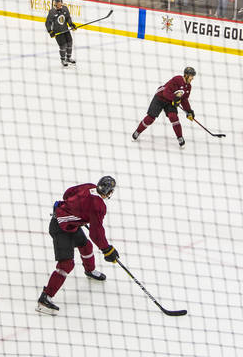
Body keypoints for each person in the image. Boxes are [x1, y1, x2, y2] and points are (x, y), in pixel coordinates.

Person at [37, 176, 120, 315]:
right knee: (66, 265)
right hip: (59, 228)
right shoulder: (99, 206)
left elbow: (68, 193)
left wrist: (76, 212)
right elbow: (96, 232)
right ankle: (44, 298)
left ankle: (90, 271)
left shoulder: (89, 186)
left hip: (70, 225)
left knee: (85, 245)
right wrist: (107, 249)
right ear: (109, 192)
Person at [132, 67, 196, 148]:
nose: (192, 78)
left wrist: (189, 111)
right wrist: (175, 99)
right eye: (191, 76)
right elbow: (166, 92)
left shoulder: (188, 87)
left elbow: (184, 100)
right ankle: (137, 131)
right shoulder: (177, 79)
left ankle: (180, 137)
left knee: (174, 117)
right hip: (160, 97)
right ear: (186, 75)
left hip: (170, 101)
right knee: (150, 118)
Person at [45, 0, 77, 67]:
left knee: (70, 43)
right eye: (58, 4)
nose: (59, 5)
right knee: (63, 46)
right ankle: (63, 59)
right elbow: (48, 23)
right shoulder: (52, 12)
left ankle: (68, 58)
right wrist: (50, 31)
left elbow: (68, 18)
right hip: (58, 32)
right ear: (55, 4)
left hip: (65, 30)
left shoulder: (65, 8)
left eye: (60, 4)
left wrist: (71, 24)